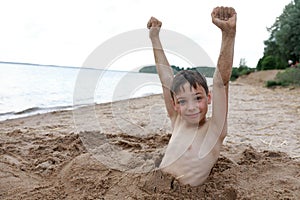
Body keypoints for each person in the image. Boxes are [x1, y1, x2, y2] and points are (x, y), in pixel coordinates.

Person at [147, 6, 236, 186]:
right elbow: (166, 78)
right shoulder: (177, 120)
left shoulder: (214, 130)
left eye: (198, 98)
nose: (191, 107)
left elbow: (221, 82)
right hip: (155, 187)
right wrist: (154, 38)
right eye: (182, 101)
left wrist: (228, 35)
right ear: (175, 105)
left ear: (209, 98)